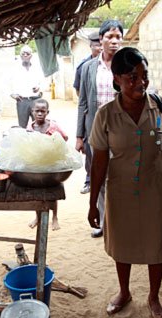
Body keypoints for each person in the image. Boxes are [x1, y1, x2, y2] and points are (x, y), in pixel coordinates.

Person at [88, 47, 162, 318]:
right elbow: (99, 163)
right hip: (120, 190)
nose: (140, 82)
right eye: (132, 77)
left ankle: (153, 296)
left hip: (157, 187)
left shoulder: (159, 107)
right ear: (117, 79)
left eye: (144, 75)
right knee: (122, 243)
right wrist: (93, 203)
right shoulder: (106, 115)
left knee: (156, 243)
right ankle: (124, 292)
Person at [76, 19, 124, 238]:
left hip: (122, 130)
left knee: (121, 176)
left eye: (118, 37)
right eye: (109, 37)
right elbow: (83, 103)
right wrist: (80, 135)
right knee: (100, 176)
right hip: (97, 131)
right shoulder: (88, 68)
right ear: (101, 39)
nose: (114, 41)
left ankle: (121, 223)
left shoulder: (127, 64)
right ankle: (104, 223)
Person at [26, 98, 68, 231]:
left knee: (52, 192)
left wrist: (54, 145)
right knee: (37, 192)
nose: (39, 113)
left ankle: (54, 217)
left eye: (42, 111)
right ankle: (38, 217)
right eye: (37, 111)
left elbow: (65, 138)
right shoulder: (30, 128)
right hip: (36, 164)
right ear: (32, 112)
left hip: (51, 164)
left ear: (47, 112)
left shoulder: (53, 126)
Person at [73, 32, 102, 195]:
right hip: (89, 114)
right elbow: (80, 93)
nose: (99, 48)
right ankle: (89, 180)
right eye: (96, 45)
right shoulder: (84, 67)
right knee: (90, 152)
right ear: (91, 46)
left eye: (101, 44)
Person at [10, 45, 43, 128]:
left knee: (38, 125)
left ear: (31, 56)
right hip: (22, 101)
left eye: (27, 53)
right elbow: (8, 82)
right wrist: (12, 94)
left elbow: (42, 81)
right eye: (23, 53)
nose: (25, 55)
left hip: (35, 100)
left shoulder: (37, 68)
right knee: (22, 126)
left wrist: (39, 87)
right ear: (20, 56)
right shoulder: (15, 69)